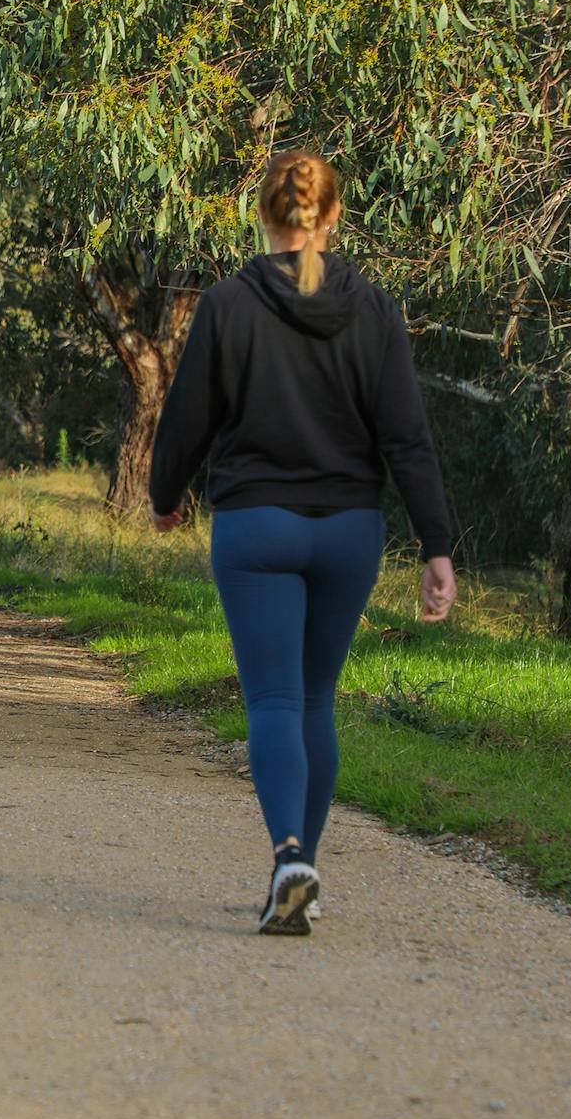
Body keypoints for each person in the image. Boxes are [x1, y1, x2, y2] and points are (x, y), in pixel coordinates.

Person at [148, 149, 456, 935]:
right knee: (316, 700)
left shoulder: (227, 304)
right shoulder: (377, 309)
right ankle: (299, 871)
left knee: (276, 699)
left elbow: (188, 417)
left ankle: (290, 856)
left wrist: (164, 496)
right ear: (334, 217)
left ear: (263, 215)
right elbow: (408, 439)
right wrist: (437, 546)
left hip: (257, 527)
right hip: (348, 530)